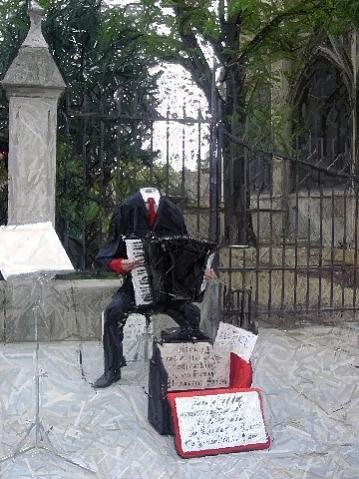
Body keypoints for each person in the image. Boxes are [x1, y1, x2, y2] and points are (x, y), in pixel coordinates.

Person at [94, 187, 215, 388]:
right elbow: (106, 254)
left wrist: (202, 270)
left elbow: (186, 255)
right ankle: (112, 369)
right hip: (134, 287)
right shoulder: (126, 209)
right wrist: (119, 264)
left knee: (192, 315)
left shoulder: (173, 212)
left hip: (168, 291)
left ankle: (184, 365)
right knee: (113, 313)